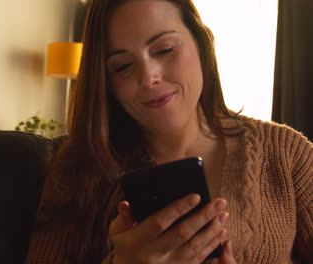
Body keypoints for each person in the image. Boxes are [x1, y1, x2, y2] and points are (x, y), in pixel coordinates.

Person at [26, 0, 313, 263]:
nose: (149, 77)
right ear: (106, 83)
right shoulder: (73, 169)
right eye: (123, 66)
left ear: (204, 44)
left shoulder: (287, 154)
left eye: (164, 49)